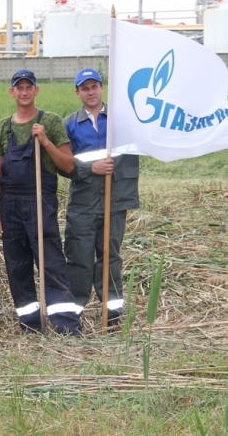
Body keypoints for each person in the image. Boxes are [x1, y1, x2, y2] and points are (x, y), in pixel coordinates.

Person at [0, 69, 83, 336]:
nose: (24, 91)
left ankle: (65, 325)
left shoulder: (50, 122)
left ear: (36, 90)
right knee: (17, 267)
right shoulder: (2, 128)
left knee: (51, 264)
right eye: (19, 87)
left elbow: (68, 164)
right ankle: (30, 326)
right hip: (10, 205)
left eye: (29, 86)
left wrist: (44, 141)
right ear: (12, 92)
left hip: (40, 201)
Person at [62, 68, 139, 326]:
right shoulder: (69, 124)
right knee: (79, 258)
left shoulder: (121, 120)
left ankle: (113, 315)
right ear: (77, 93)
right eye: (85, 88)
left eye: (94, 86)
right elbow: (63, 164)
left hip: (114, 201)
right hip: (82, 203)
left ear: (101, 88)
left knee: (110, 258)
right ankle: (74, 317)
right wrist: (89, 168)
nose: (90, 91)